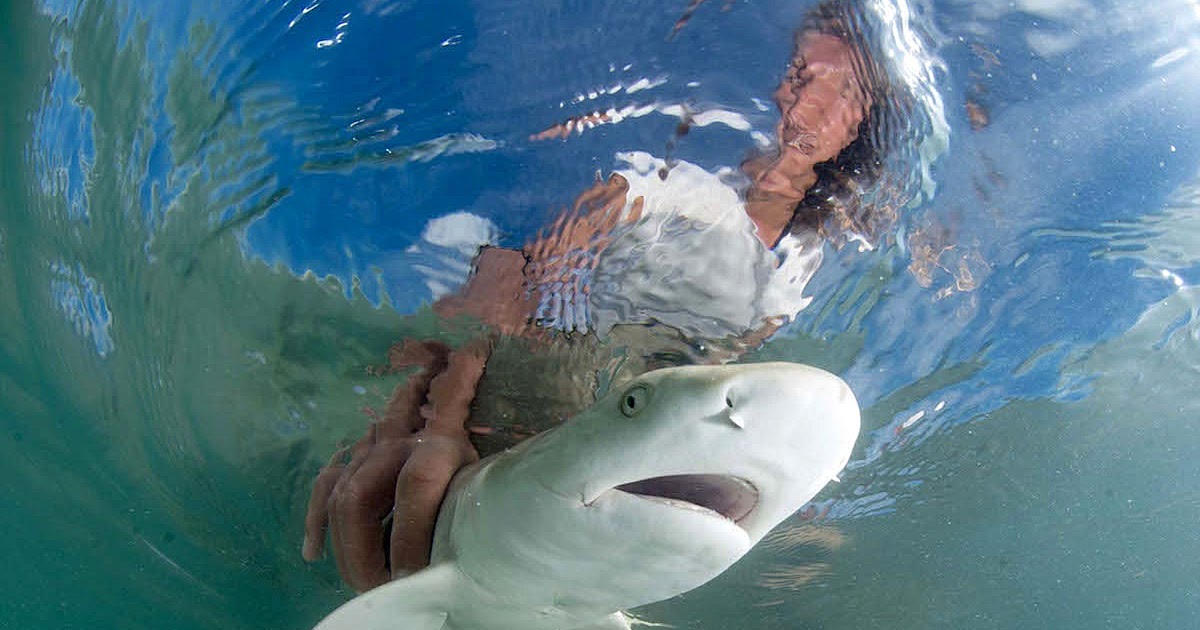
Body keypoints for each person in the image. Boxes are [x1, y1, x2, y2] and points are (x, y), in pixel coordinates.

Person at [303, 4, 892, 593]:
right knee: (406, 510)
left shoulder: (797, 272)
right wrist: (444, 414)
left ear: (864, 118)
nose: (800, 100)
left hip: (622, 401)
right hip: (546, 361)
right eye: (797, 74)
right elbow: (508, 278)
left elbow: (713, 364)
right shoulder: (675, 188)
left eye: (834, 86)